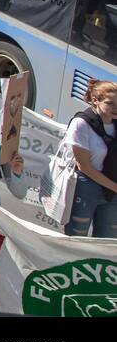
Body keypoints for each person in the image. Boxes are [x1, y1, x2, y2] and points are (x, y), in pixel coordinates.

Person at [59, 80, 117, 237]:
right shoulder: (81, 123)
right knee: (77, 236)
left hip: (112, 190)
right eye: (110, 103)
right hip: (86, 186)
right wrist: (114, 187)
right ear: (95, 100)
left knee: (108, 240)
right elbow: (84, 166)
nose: (115, 108)